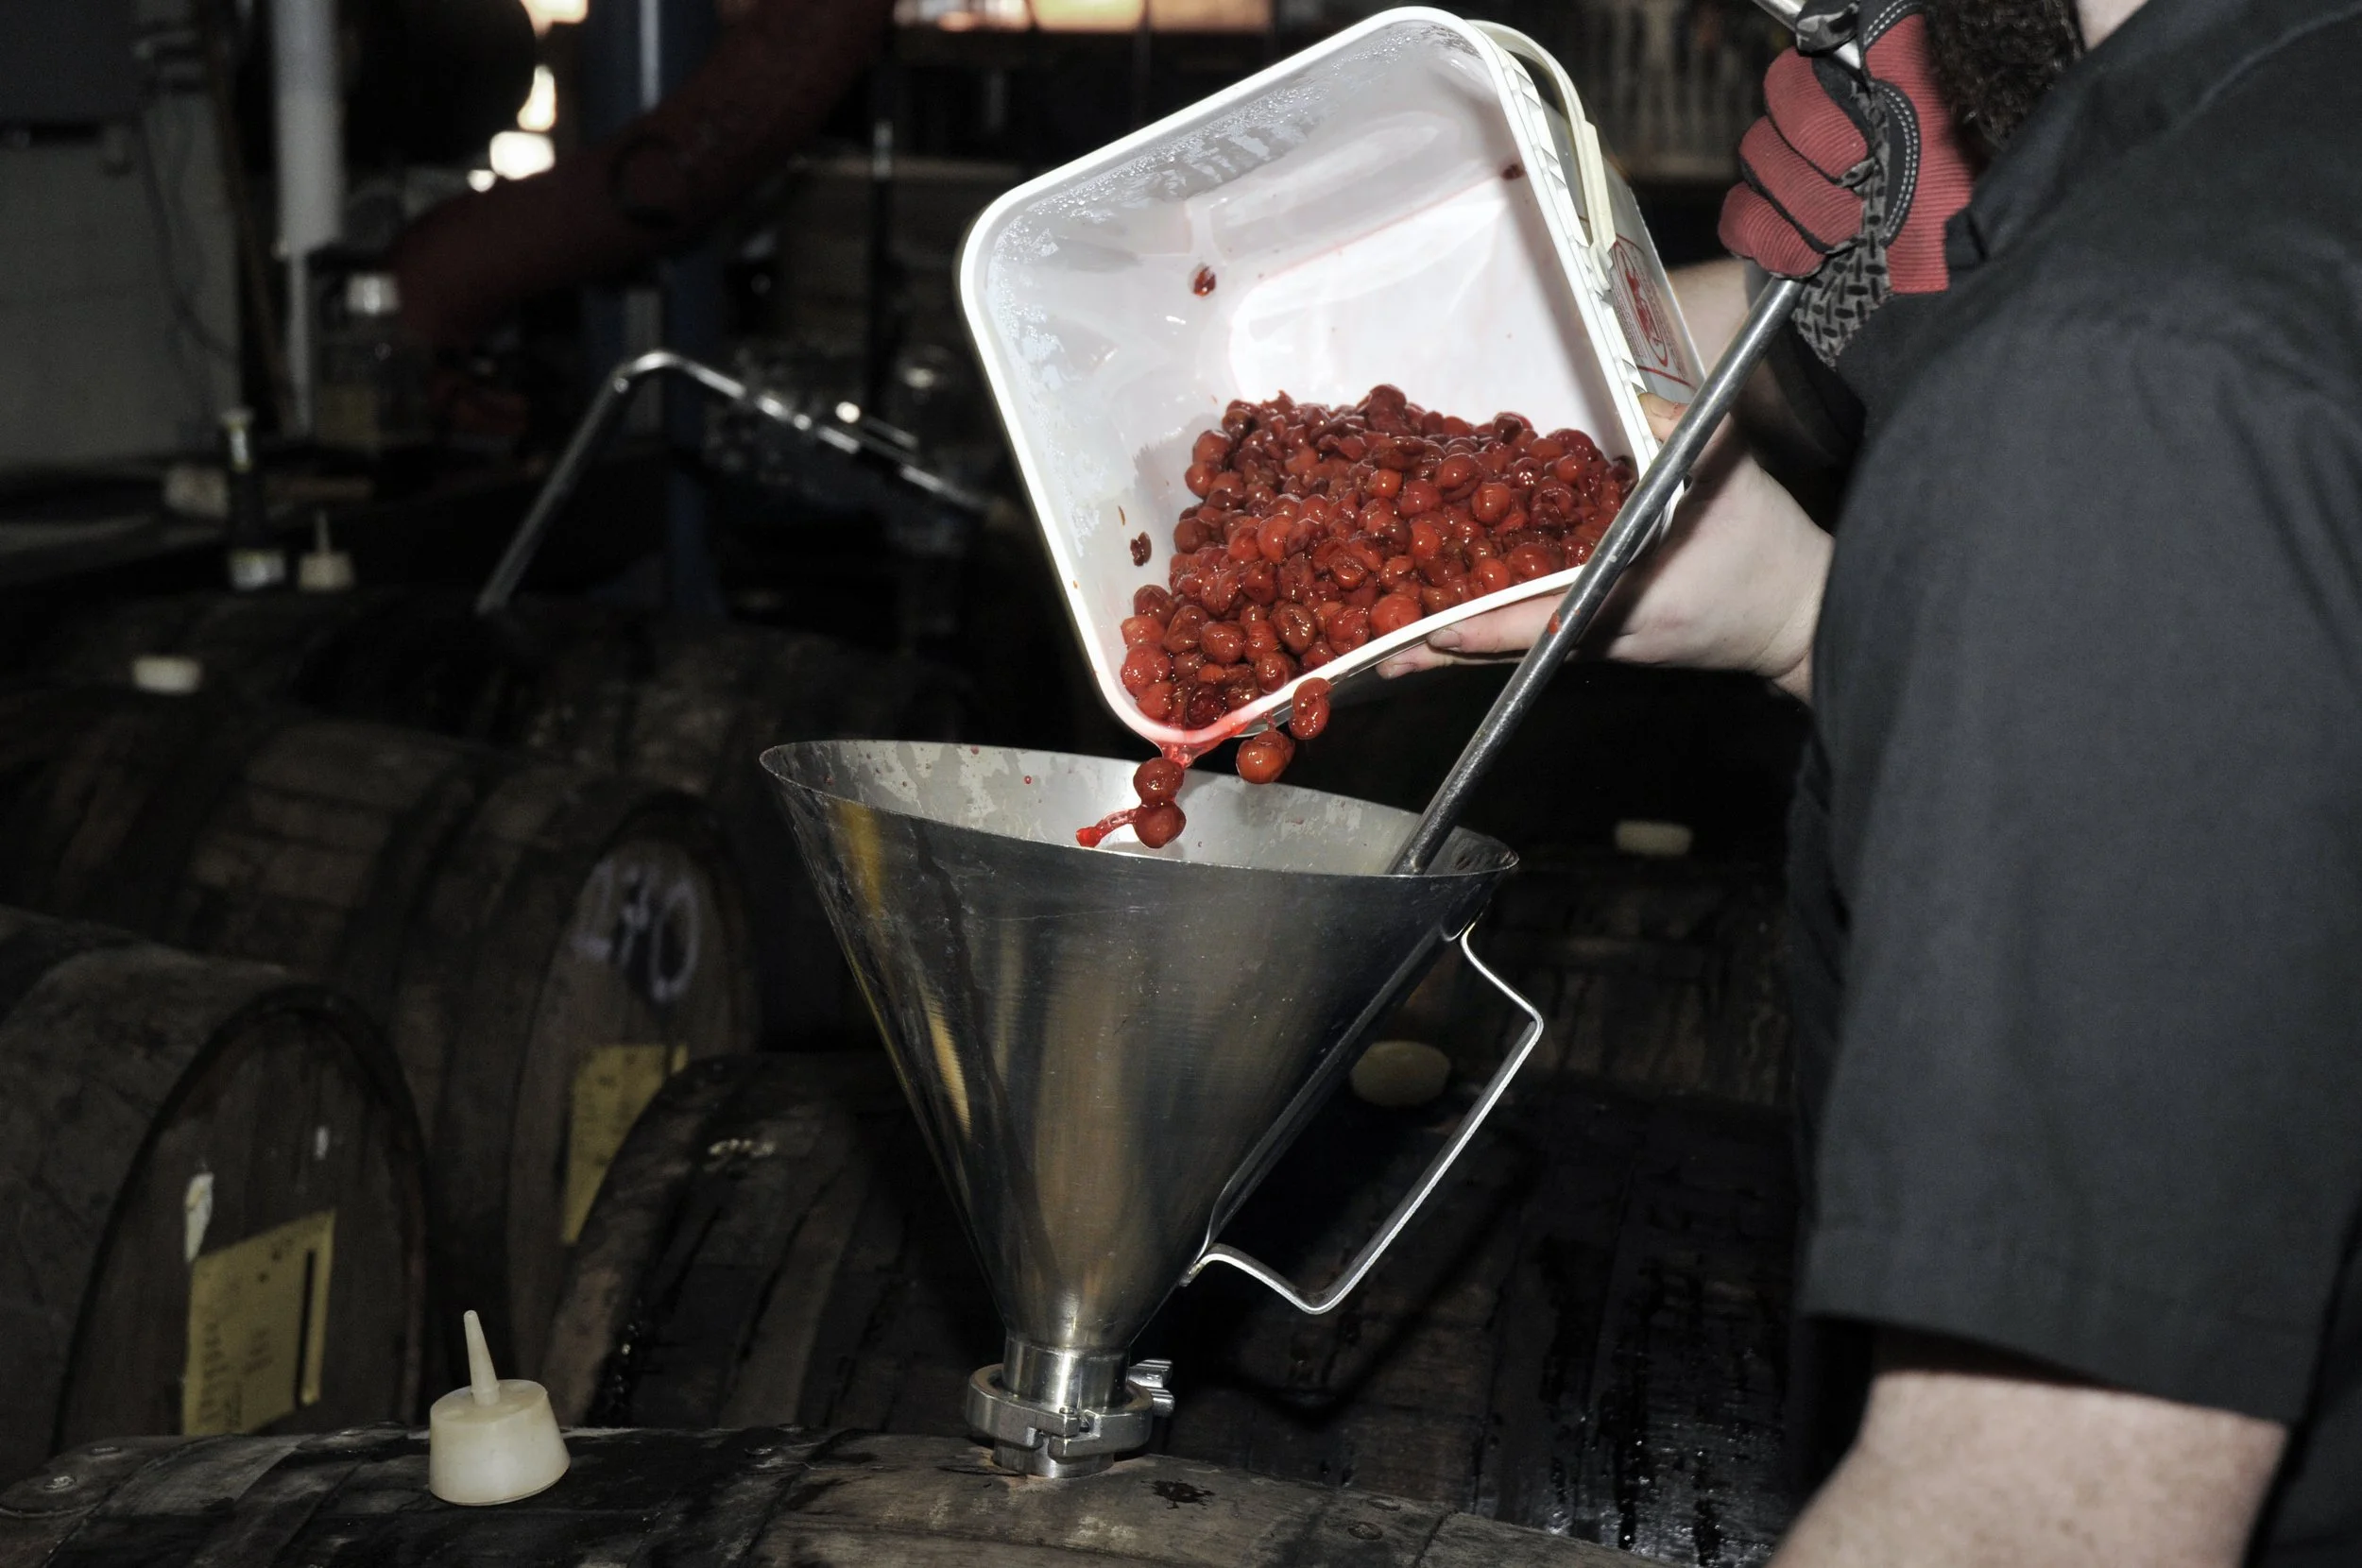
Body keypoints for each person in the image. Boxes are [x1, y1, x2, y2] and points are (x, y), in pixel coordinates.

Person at [1384, 0, 2362, 1559]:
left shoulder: (2135, 378)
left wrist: (2060, 390)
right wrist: (1800, 611)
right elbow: (2258, 775)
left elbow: (2032, 1524)